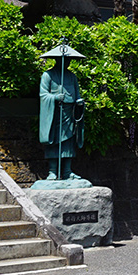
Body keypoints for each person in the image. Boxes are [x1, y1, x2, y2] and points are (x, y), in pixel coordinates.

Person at [38, 45, 86, 180]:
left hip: (69, 114)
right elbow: (43, 95)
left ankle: (67, 171)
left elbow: (77, 95)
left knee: (69, 141)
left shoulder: (72, 76)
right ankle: (52, 171)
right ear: (57, 60)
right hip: (54, 114)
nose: (68, 62)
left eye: (69, 60)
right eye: (64, 60)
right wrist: (54, 98)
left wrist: (79, 102)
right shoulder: (48, 75)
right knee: (54, 141)